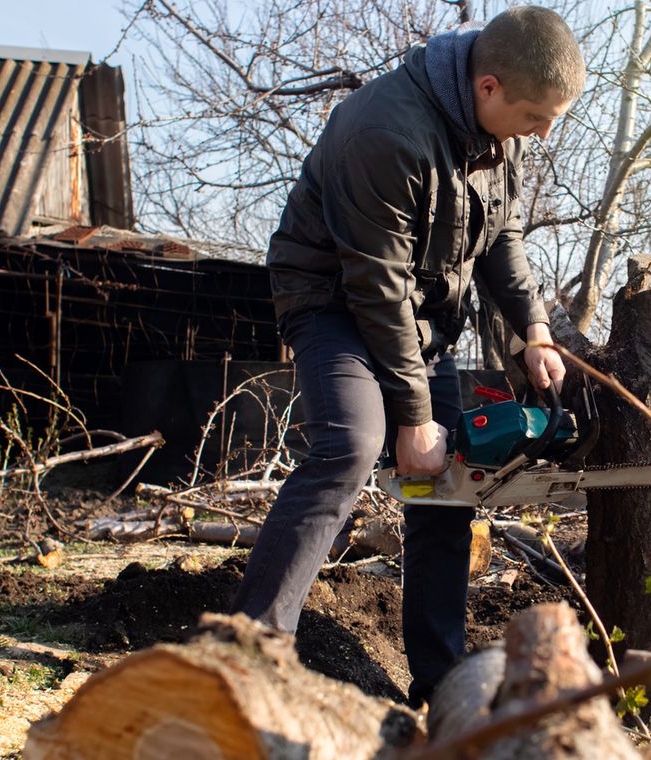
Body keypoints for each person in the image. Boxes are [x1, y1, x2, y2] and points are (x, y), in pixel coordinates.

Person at [231, 6, 585, 707]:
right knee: (352, 443)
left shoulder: (493, 135)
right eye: (539, 115)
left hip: (415, 320)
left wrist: (536, 330)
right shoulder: (386, 131)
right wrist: (413, 418)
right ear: (488, 87)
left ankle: (439, 679)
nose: (545, 132)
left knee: (455, 477)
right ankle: (248, 651)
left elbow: (502, 238)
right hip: (335, 300)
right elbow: (375, 285)